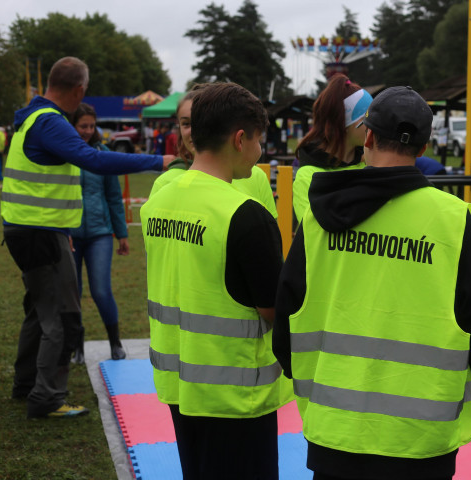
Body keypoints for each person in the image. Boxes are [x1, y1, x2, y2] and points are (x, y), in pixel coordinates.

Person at [273, 86, 471, 480]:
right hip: (421, 442)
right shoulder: (452, 221)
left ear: (367, 136)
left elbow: (285, 321)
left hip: (334, 434)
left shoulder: (317, 216)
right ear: (423, 147)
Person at [1, 56, 174, 419]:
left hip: (27, 229)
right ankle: (47, 397)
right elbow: (93, 159)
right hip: (40, 233)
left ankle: (26, 383)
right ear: (79, 90)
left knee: (39, 310)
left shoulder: (30, 118)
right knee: (63, 317)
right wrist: (157, 161)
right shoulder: (49, 121)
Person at [140, 82, 293, 480]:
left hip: (179, 383)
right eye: (258, 140)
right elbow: (276, 311)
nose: (260, 152)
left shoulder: (158, 203)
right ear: (240, 139)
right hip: (235, 395)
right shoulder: (245, 215)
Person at [148, 86, 277, 218]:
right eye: (186, 123)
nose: (195, 131)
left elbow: (271, 226)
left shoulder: (255, 176)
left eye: (202, 123)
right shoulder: (164, 183)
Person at [69, 103, 129, 364]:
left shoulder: (102, 154)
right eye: (82, 126)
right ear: (72, 125)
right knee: (72, 293)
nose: (87, 130)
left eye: (91, 126)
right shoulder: (62, 153)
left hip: (100, 233)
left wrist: (122, 233)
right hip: (69, 234)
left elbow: (114, 197)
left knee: (101, 291)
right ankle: (77, 347)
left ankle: (115, 342)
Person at [292, 74, 372, 221]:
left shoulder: (369, 164)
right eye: (367, 118)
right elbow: (312, 229)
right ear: (344, 124)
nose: (373, 125)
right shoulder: (308, 176)